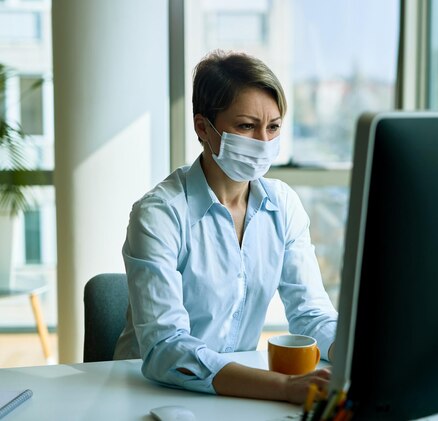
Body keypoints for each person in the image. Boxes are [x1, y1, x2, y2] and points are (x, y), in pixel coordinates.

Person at [113, 50, 338, 404]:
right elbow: (166, 349)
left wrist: (355, 354)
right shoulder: (159, 214)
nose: (264, 142)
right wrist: (282, 388)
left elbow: (311, 313)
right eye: (247, 126)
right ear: (203, 127)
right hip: (147, 393)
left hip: (237, 392)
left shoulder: (283, 205)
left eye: (274, 126)